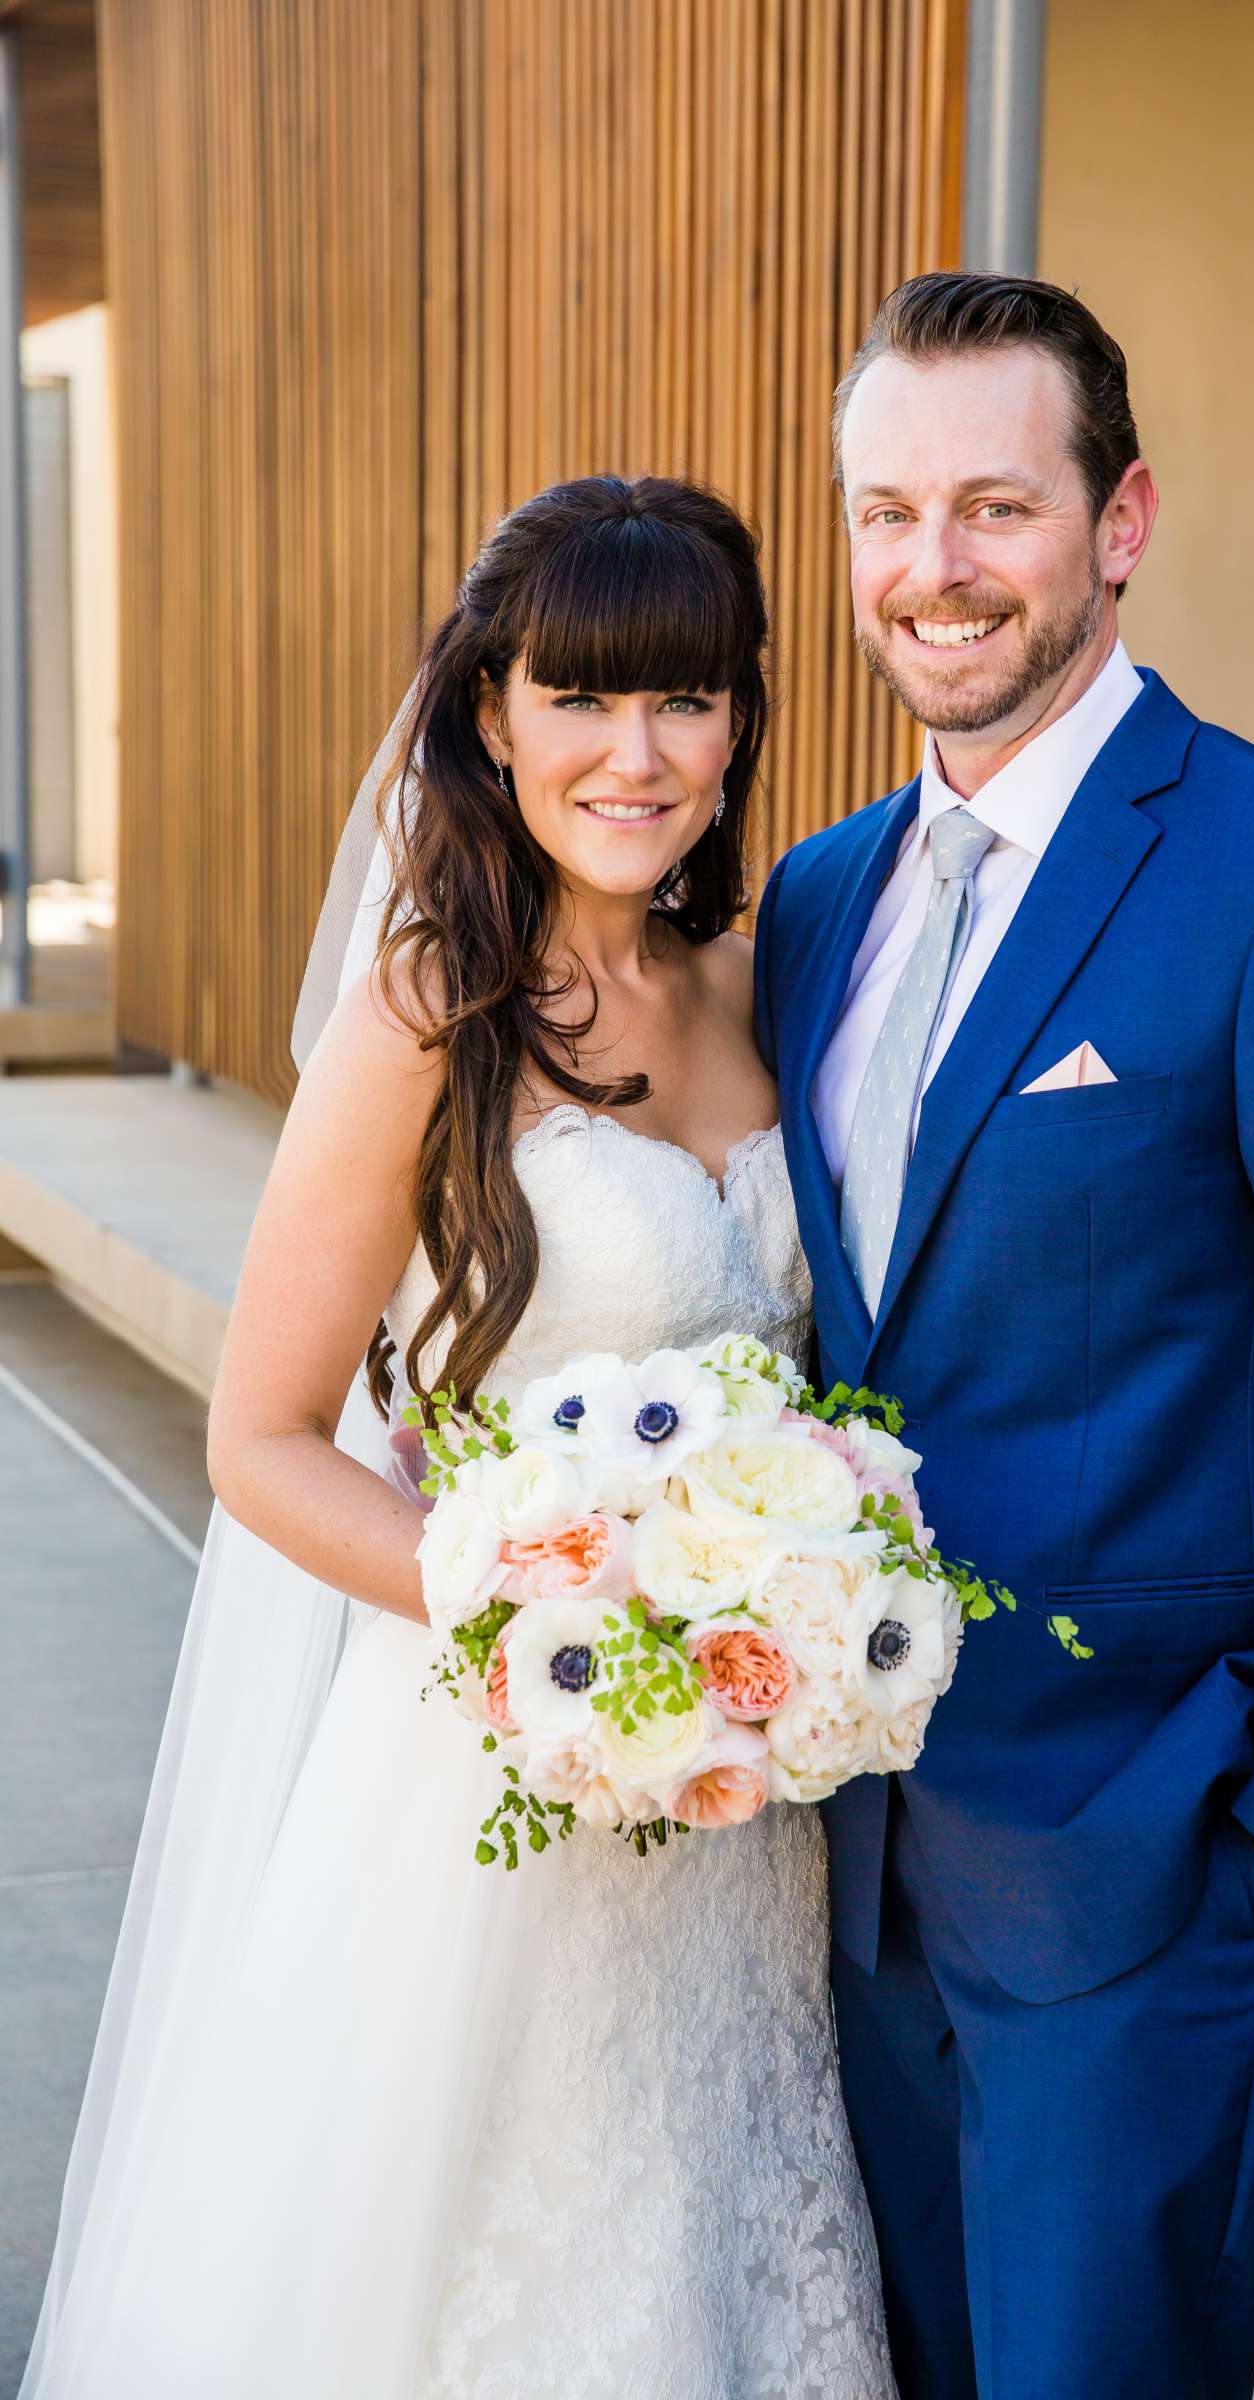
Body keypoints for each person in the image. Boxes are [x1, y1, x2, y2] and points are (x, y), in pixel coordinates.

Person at [754, 270, 1254, 2400]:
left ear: (1118, 523)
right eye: (881, 514)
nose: (929, 571)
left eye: (993, 509)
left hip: (1144, 1862)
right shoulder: (822, 900)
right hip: (841, 1865)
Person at [23, 476, 896, 2400]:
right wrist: (557, 1612)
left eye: (682, 699)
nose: (634, 753)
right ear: (492, 719)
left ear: (742, 719)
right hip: (498, 1776)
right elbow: (262, 1440)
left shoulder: (761, 989)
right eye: (579, 699)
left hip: (745, 1817)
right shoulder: (434, 1008)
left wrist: (771, 1622)